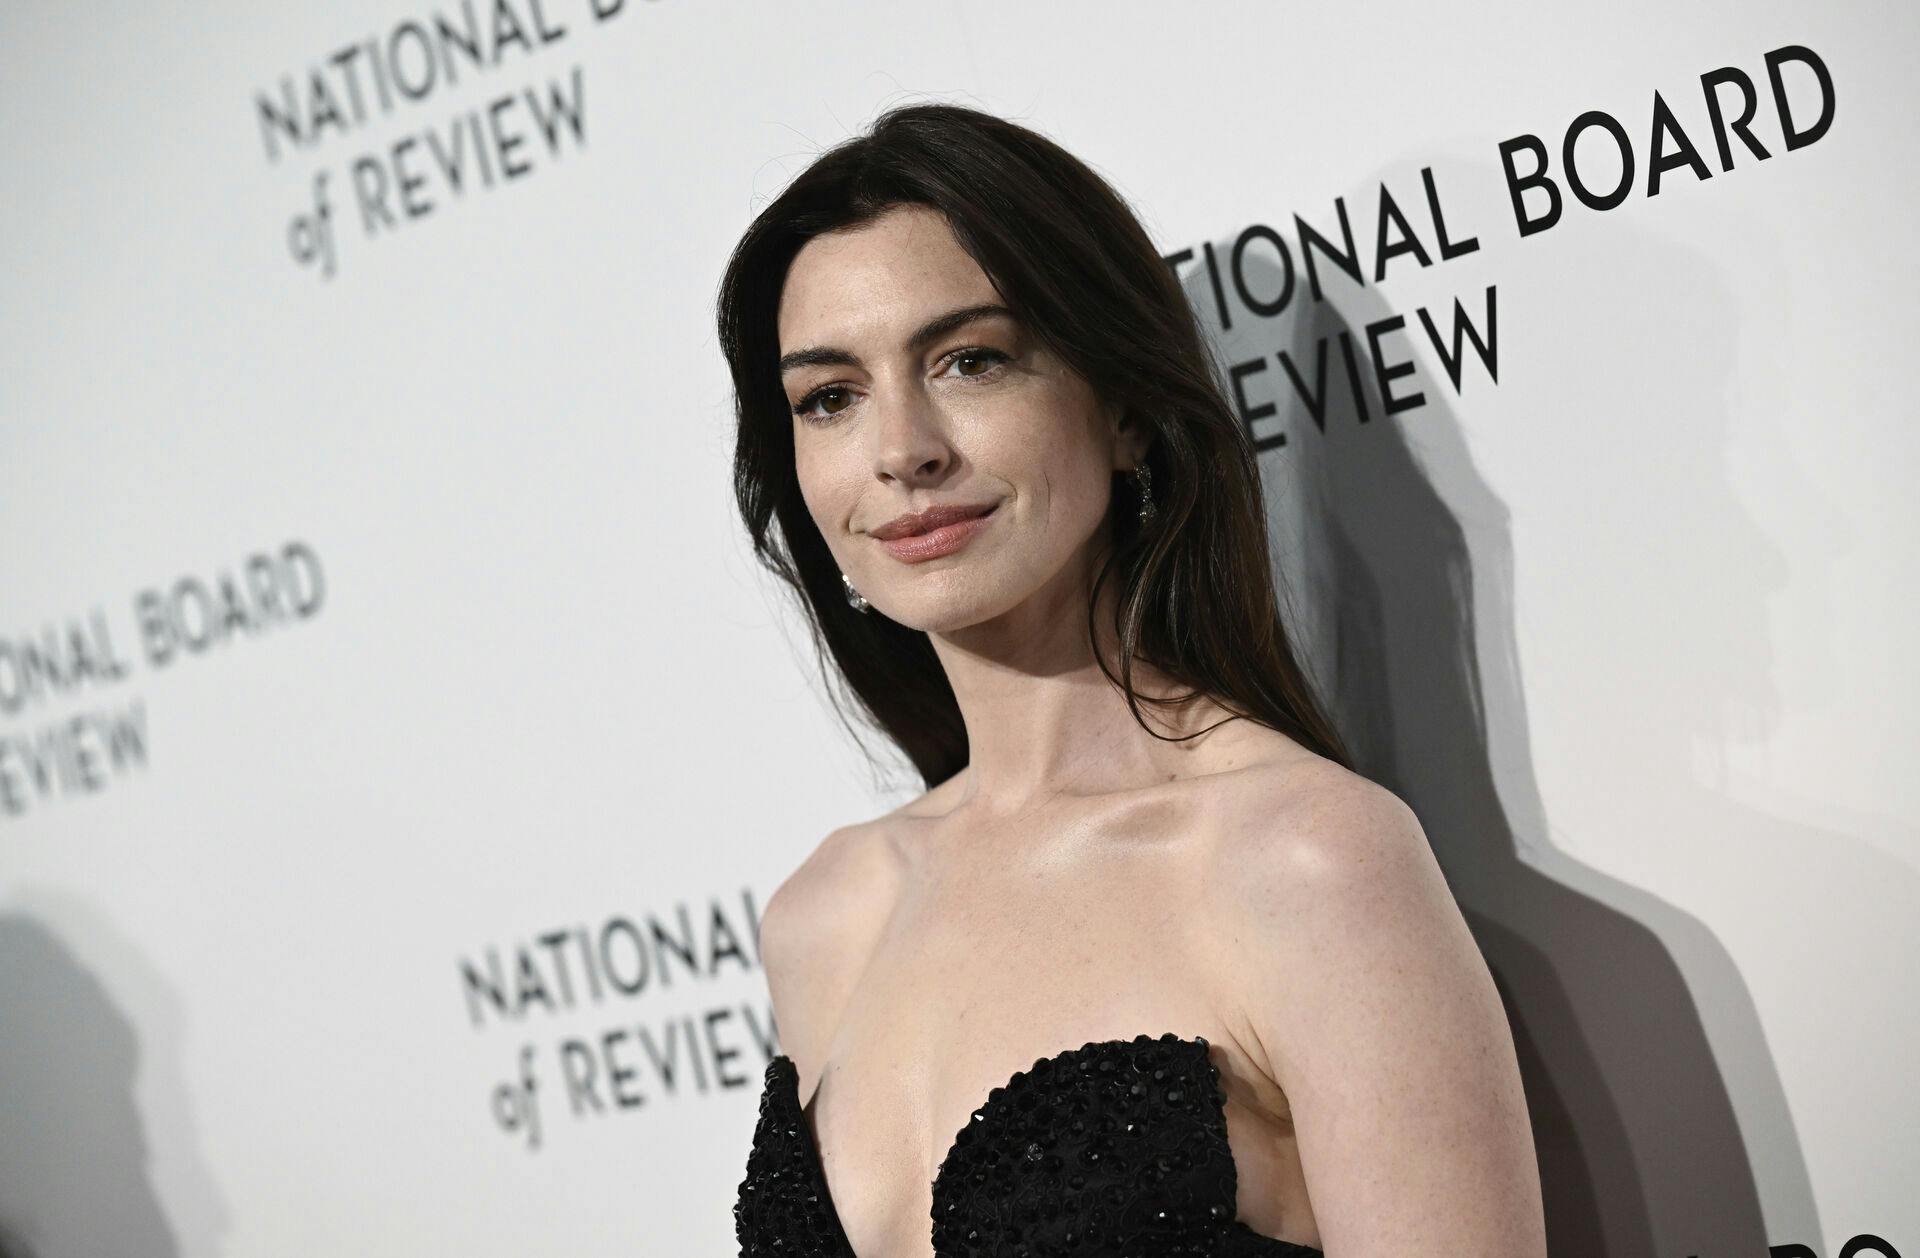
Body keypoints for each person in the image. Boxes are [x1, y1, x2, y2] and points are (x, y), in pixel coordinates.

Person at [718, 101, 1545, 1258]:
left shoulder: (1306, 858)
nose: (902, 448)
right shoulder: (827, 915)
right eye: (830, 396)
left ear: (1126, 412)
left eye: (970, 360)